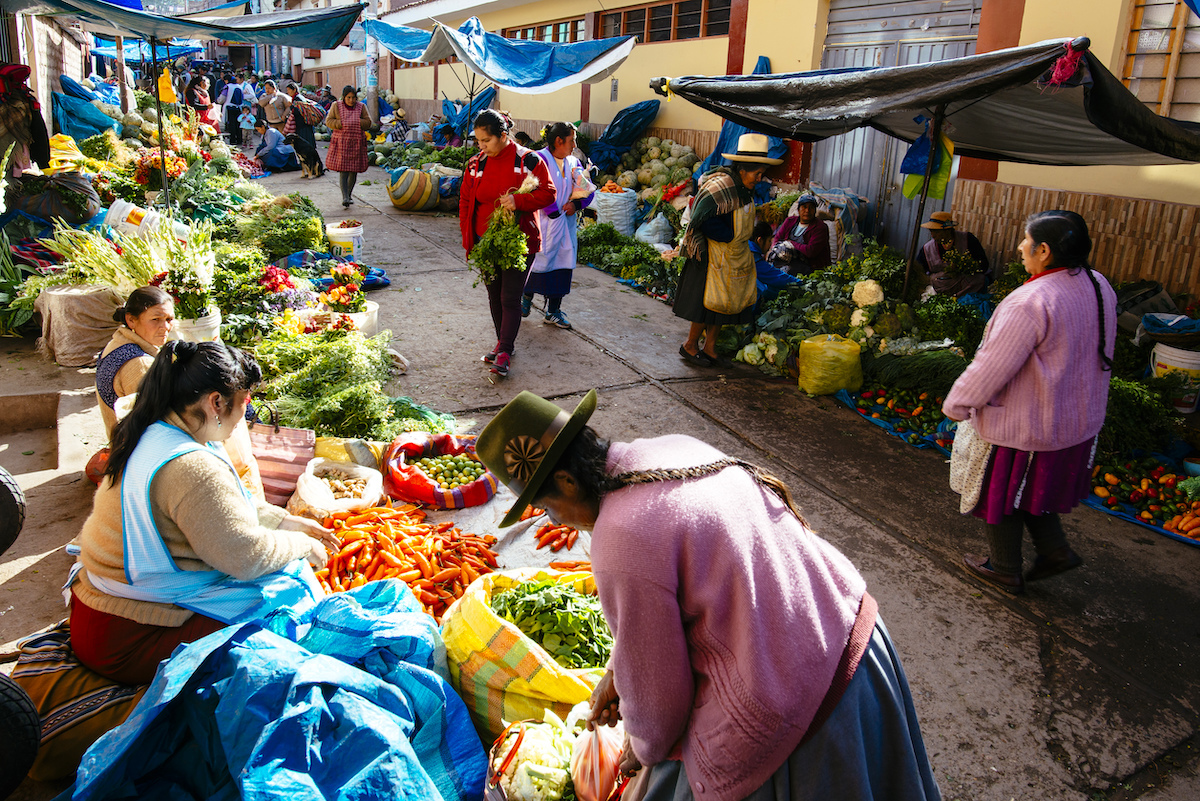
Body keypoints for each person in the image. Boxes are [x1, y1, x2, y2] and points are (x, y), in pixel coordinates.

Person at [476, 390, 942, 801]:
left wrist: (637, 750)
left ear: (567, 482)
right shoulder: (667, 449)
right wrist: (617, 671)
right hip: (853, 638)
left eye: (546, 507)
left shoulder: (618, 538)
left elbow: (659, 713)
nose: (554, 522)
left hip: (799, 702)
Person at [68, 340, 337, 685]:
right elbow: (243, 558)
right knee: (289, 596)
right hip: (131, 637)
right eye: (245, 406)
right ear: (215, 402)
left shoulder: (154, 429)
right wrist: (300, 545)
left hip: (100, 614)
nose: (245, 418)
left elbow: (216, 506)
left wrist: (284, 520)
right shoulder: (191, 466)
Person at [943, 211, 1116, 595]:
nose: (1020, 247)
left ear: (1044, 250)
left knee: (999, 490)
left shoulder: (1031, 301)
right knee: (1029, 488)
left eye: (1025, 240)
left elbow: (992, 365)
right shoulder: (1097, 284)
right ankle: (1054, 550)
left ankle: (1004, 567)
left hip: (1027, 422)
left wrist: (958, 403)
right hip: (1074, 420)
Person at [459, 109, 555, 378]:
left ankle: (505, 350)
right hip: (485, 242)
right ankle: (503, 344)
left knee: (509, 298)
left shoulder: (528, 160)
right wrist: (469, 239)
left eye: (486, 141)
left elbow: (549, 193)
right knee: (493, 295)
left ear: (503, 136)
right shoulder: (476, 164)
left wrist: (519, 201)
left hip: (518, 242)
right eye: (478, 141)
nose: (481, 147)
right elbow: (466, 201)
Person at [673, 132, 781, 367]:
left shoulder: (743, 189)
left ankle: (710, 348)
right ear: (743, 169)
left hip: (731, 256)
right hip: (710, 257)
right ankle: (690, 345)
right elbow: (702, 218)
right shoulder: (722, 185)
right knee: (706, 304)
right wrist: (729, 236)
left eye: (761, 174)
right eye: (756, 173)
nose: (759, 178)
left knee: (722, 306)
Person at [522, 121, 595, 331]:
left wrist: (576, 204)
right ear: (558, 141)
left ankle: (553, 311)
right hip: (542, 224)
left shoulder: (574, 162)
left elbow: (587, 190)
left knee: (561, 265)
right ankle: (524, 299)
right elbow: (530, 189)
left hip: (565, 226)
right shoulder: (538, 159)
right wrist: (552, 211)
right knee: (536, 264)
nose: (574, 145)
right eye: (572, 140)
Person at [96, 286, 174, 440]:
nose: (165, 327)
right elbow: (152, 424)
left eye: (169, 319)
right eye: (155, 319)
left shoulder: (116, 343)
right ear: (131, 320)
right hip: (135, 450)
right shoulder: (140, 364)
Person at [916, 211, 991, 297]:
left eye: (937, 232)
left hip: (965, 283)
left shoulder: (967, 240)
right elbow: (920, 271)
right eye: (931, 231)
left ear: (947, 230)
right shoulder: (927, 249)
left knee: (979, 279)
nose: (933, 235)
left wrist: (962, 266)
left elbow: (983, 265)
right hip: (942, 285)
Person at [325, 85, 371, 208]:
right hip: (341, 143)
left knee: (353, 171)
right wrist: (341, 123)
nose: (351, 100)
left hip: (356, 143)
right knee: (344, 170)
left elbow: (368, 122)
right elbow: (328, 121)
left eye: (353, 97)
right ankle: (345, 196)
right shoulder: (336, 106)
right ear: (344, 97)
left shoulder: (361, 107)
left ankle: (349, 195)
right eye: (348, 97)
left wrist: (357, 122)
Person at [768, 193, 831, 276]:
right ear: (798, 209)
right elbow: (777, 238)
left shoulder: (820, 227)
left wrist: (791, 243)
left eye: (811, 208)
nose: (807, 211)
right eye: (804, 207)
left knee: (785, 273)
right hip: (787, 260)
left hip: (810, 267)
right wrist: (774, 249)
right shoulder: (790, 221)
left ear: (815, 210)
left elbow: (810, 251)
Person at [750, 220, 801, 307]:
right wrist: (799, 283)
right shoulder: (753, 258)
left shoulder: (746, 249)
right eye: (769, 241)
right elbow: (775, 276)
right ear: (760, 240)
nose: (770, 245)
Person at [283, 82, 317, 151]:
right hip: (305, 124)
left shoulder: (297, 99)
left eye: (289, 90)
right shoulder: (298, 97)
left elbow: (298, 112)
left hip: (302, 125)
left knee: (305, 144)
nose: (288, 92)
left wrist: (291, 106)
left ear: (294, 90)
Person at [217, 78, 246, 146]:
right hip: (239, 108)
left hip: (230, 108)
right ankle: (239, 140)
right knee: (238, 124)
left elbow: (222, 97)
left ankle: (232, 140)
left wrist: (218, 101)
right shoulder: (240, 87)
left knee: (231, 124)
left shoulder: (228, 87)